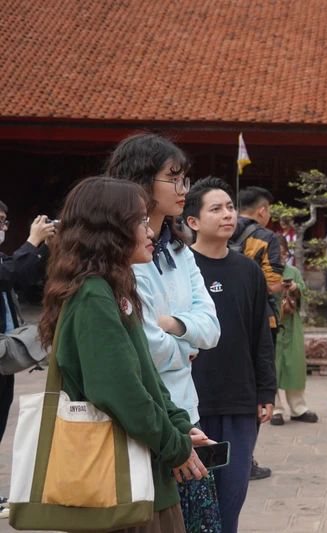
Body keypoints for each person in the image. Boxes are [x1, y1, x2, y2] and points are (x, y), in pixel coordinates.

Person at [37, 176, 211, 533]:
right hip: (119, 485)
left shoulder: (114, 288)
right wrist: (172, 444)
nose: (150, 230)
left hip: (142, 477)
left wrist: (179, 425)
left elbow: (146, 375)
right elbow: (119, 390)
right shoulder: (93, 296)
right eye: (141, 221)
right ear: (109, 229)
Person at [106, 133, 223, 533]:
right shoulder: (119, 257)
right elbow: (142, 347)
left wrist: (172, 326)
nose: (183, 189)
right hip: (142, 421)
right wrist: (186, 348)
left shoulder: (179, 249)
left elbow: (212, 328)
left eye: (185, 179)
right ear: (140, 181)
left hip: (185, 411)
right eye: (173, 178)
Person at [183, 177, 276, 533]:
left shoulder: (248, 269)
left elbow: (260, 335)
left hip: (239, 400)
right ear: (193, 221)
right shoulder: (180, 268)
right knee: (192, 501)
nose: (228, 215)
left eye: (230, 207)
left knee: (230, 500)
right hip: (190, 403)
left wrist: (266, 391)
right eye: (216, 209)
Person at [0, 207, 54, 519]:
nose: (4, 228)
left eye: (5, 222)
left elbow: (21, 277)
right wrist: (33, 241)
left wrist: (44, 246)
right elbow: (9, 274)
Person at [230, 186, 283, 481]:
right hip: (258, 320)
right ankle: (244, 458)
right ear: (262, 210)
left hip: (217, 319)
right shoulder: (266, 237)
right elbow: (273, 283)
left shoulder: (215, 230)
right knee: (256, 390)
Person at [271, 235, 318, 426]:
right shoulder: (263, 270)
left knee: (295, 365)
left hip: (291, 323)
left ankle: (298, 408)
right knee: (271, 366)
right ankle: (275, 409)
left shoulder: (293, 271)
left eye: (284, 254)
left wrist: (295, 287)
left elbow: (304, 294)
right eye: (278, 254)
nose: (281, 257)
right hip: (271, 323)